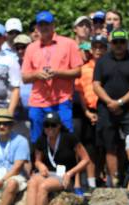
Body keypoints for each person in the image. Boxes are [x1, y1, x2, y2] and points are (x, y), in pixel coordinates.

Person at [22, 11, 83, 143]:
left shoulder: (69, 44)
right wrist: (37, 74)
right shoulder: (31, 48)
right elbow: (25, 77)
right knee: (37, 139)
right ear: (37, 27)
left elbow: (78, 72)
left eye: (47, 24)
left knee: (67, 137)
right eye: (41, 25)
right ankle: (38, 163)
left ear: (53, 25)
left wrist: (57, 73)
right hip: (38, 101)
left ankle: (69, 163)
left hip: (62, 99)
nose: (44, 28)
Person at [93, 29, 129, 187]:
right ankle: (114, 182)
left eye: (122, 42)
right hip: (106, 108)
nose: (119, 45)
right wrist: (110, 102)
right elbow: (96, 85)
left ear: (127, 43)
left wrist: (120, 102)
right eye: (115, 42)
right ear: (111, 44)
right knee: (110, 145)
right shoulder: (102, 61)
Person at [26, 112, 90, 205]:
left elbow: (86, 159)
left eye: (53, 125)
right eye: (47, 125)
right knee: (32, 182)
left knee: (44, 186)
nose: (50, 128)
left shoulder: (70, 138)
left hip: (64, 175)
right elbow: (37, 160)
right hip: (47, 173)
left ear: (59, 125)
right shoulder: (41, 139)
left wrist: (70, 173)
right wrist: (40, 165)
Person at [76, 34, 107, 190]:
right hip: (88, 111)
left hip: (106, 110)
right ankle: (90, 182)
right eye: (95, 47)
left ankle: (101, 177)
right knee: (89, 147)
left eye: (102, 47)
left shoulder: (109, 66)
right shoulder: (84, 68)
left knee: (104, 147)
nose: (98, 51)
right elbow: (80, 91)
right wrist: (87, 111)